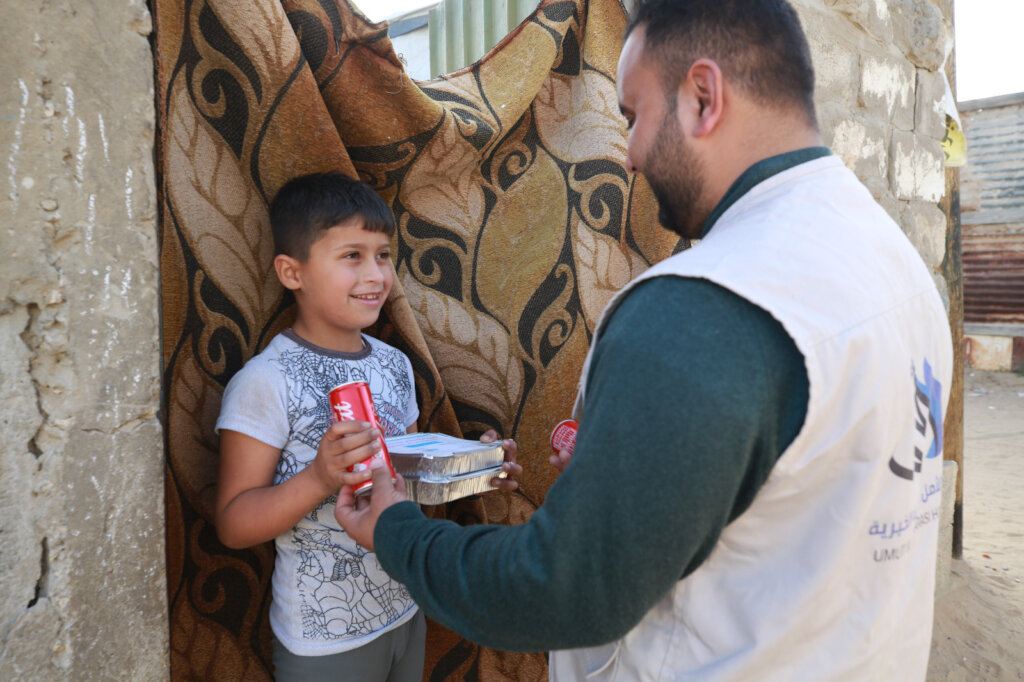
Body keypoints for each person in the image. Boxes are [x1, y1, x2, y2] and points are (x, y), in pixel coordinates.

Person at [334, 1, 954, 680]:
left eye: (633, 117)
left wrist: (395, 530)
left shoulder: (702, 306)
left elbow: (558, 589)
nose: (627, 157)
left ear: (702, 96)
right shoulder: (898, 264)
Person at [214, 171, 520, 682]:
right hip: (325, 638)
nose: (377, 274)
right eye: (352, 255)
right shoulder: (266, 381)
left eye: (383, 255)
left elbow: (403, 482)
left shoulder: (395, 365)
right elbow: (233, 523)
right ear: (292, 272)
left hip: (404, 607)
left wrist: (471, 468)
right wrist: (318, 478)